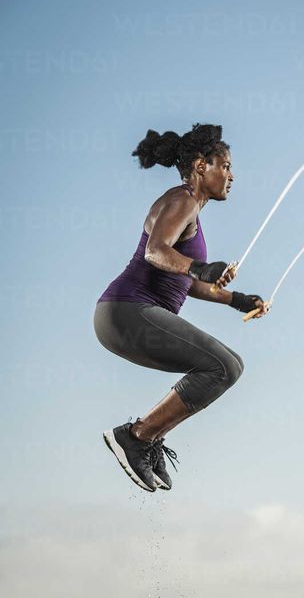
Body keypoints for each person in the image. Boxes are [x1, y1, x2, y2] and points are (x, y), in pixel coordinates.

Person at [93, 123, 268, 493]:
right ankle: (137, 437)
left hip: (126, 317)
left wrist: (238, 300)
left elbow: (185, 282)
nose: (232, 175)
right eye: (226, 165)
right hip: (126, 310)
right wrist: (201, 267)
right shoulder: (182, 199)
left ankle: (146, 439)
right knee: (224, 365)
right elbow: (156, 252)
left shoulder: (192, 211)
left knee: (225, 367)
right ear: (202, 165)